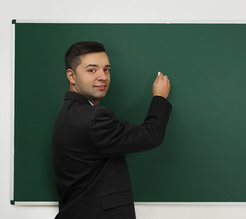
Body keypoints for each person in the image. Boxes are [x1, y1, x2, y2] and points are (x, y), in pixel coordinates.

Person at [52, 41, 172, 219]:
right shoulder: (94, 119)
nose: (103, 76)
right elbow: (151, 136)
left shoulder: (66, 115)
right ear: (71, 75)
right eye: (92, 70)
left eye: (106, 69)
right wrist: (159, 98)